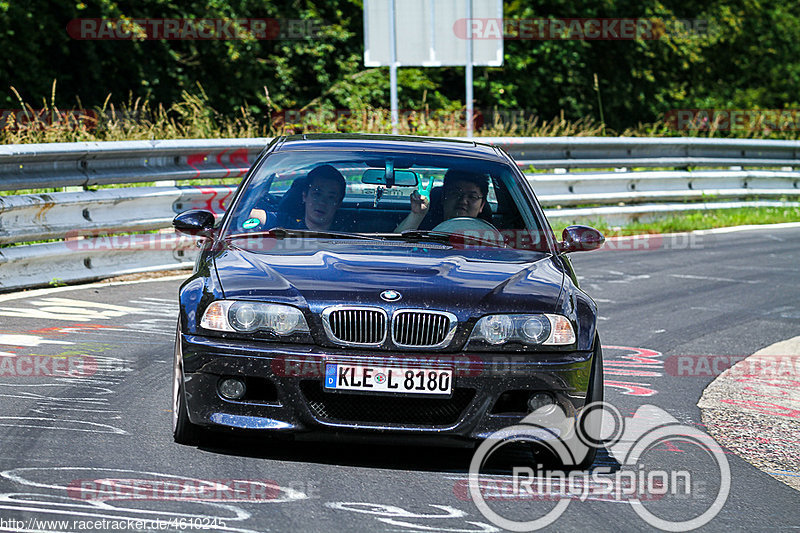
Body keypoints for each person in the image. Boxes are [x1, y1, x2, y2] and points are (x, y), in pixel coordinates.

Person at [395, 169, 489, 232]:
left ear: (482, 205)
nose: (463, 201)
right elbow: (395, 247)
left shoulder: (491, 237)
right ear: (443, 197)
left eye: (472, 197)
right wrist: (417, 214)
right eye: (455, 193)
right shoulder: (423, 230)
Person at [280, 164, 346, 231]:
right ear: (305, 196)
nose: (322, 202)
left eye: (331, 197)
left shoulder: (350, 237)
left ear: (339, 203)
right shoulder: (284, 233)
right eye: (317, 194)